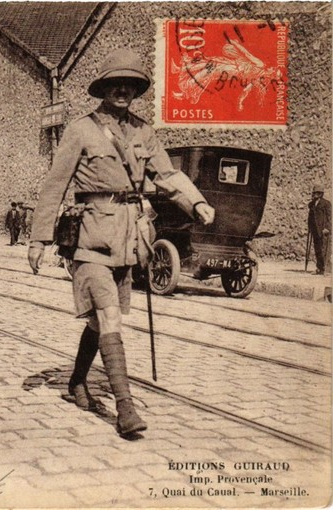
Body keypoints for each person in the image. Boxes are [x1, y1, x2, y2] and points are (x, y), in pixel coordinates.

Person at [28, 49, 215, 437]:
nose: (123, 90)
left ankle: (77, 380)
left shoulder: (144, 131)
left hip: (129, 240)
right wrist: (38, 238)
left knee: (99, 321)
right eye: (116, 83)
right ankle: (125, 408)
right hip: (91, 238)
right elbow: (54, 186)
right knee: (110, 316)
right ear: (104, 88)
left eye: (130, 84)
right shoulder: (81, 129)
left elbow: (166, 174)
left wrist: (196, 201)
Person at [308, 183, 331, 275]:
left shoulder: (326, 204)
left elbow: (330, 217)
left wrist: (327, 228)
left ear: (321, 194)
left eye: (317, 193)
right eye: (314, 193)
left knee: (325, 249)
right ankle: (319, 268)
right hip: (315, 230)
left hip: (323, 230)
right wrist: (310, 227)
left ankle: (326, 269)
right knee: (317, 249)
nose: (314, 194)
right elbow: (311, 217)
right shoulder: (312, 204)